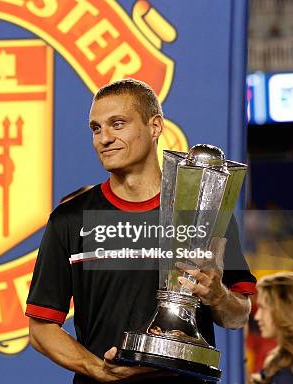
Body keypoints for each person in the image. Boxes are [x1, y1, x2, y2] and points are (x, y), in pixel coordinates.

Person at [25, 78, 257, 383]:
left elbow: (238, 315)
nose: (103, 138)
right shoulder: (71, 219)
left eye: (117, 124)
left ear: (155, 126)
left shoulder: (204, 210)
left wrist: (218, 295)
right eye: (96, 128)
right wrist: (101, 371)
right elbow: (41, 330)